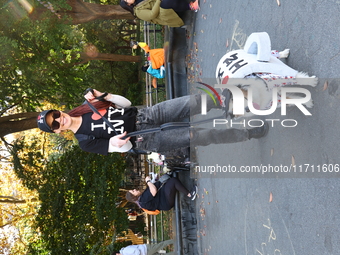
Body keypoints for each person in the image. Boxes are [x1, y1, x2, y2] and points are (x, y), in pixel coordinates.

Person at [37, 89, 269, 156]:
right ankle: (247, 133)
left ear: (58, 111)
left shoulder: (86, 106)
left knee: (191, 102)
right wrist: (118, 142)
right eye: (54, 125)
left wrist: (104, 97)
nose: (59, 120)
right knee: (199, 136)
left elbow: (126, 104)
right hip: (146, 138)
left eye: (55, 115)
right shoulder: (85, 142)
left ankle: (234, 102)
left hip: (146, 115)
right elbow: (126, 148)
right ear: (57, 132)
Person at [126, 175, 198, 212]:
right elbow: (153, 191)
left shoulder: (141, 199)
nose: (134, 189)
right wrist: (148, 181)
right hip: (166, 201)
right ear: (134, 196)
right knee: (173, 181)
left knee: (169, 177)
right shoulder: (142, 200)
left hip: (163, 196)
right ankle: (190, 195)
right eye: (133, 191)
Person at [119, 0, 199, 27]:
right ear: (128, 5)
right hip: (163, 15)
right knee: (165, 2)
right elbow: (152, 14)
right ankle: (192, 7)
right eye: (126, 0)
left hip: (162, 4)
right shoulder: (138, 12)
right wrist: (159, 0)